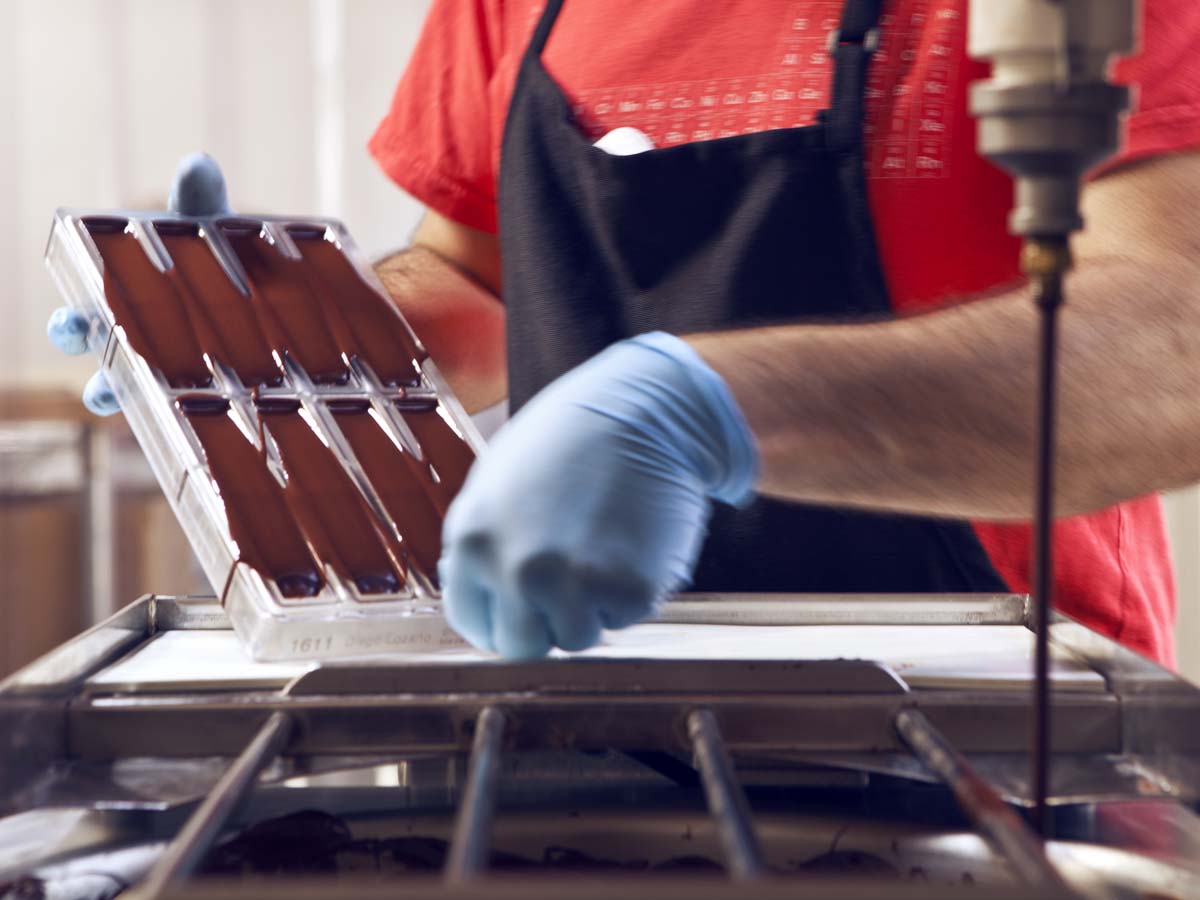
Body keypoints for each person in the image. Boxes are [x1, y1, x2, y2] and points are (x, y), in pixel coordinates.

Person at [50, 1, 1200, 666]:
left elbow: (1177, 342)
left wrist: (714, 405)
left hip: (996, 718)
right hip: (591, 695)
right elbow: (475, 282)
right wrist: (271, 328)